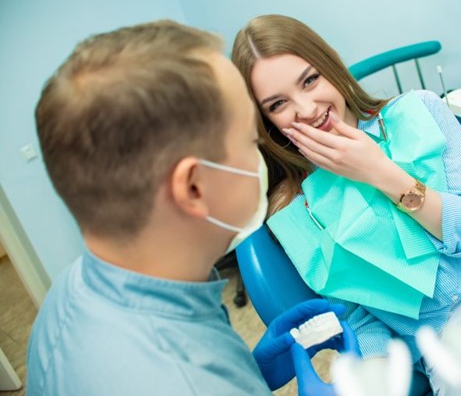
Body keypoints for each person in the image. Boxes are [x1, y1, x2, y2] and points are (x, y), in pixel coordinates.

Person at [231, 14, 461, 396]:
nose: (307, 109)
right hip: (453, 344)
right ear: (267, 121)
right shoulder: (293, 211)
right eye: (279, 104)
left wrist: (381, 173)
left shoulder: (419, 110)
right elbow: (361, 314)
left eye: (310, 80)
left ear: (329, 66)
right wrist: (374, 377)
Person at [26, 20, 355, 396]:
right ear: (194, 187)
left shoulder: (71, 289)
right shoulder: (187, 382)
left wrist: (249, 372)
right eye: (250, 141)